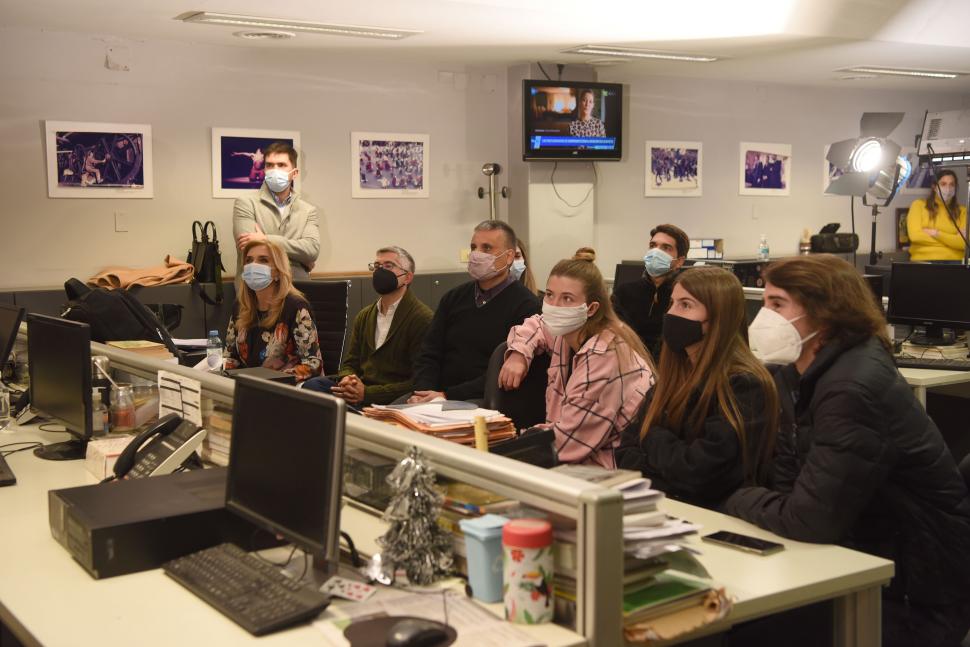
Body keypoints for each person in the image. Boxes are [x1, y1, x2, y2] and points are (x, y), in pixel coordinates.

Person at [724, 254, 970, 647]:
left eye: (777, 304)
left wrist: (737, 499)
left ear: (824, 314)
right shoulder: (798, 372)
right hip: (859, 557)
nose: (763, 317)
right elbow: (790, 480)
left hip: (913, 593)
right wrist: (775, 506)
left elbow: (810, 519)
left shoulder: (852, 387)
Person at [615, 266, 778, 509]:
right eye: (672, 303)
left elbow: (701, 472)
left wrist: (652, 437)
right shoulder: (674, 375)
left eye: (686, 305)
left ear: (717, 317)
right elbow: (626, 450)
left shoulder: (745, 385)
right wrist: (671, 462)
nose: (671, 313)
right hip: (666, 508)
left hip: (715, 519)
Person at [499, 249, 654, 468]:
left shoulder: (605, 353)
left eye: (567, 299)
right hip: (571, 458)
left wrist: (507, 445)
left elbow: (568, 443)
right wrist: (518, 354)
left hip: (607, 468)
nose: (554, 306)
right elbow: (537, 324)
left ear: (590, 308)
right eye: (550, 295)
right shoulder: (569, 332)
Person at [409, 221, 540, 403]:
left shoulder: (526, 305)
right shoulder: (453, 298)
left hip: (481, 398)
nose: (477, 254)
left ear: (509, 256)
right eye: (473, 247)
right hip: (435, 396)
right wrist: (423, 392)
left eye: (487, 248)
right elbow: (429, 353)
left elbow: (501, 371)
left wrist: (447, 396)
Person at [303, 246, 433, 406]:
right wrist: (347, 380)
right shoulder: (364, 315)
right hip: (360, 390)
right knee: (312, 386)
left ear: (407, 277)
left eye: (388, 266)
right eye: (377, 266)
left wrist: (367, 394)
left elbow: (419, 381)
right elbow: (350, 363)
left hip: (391, 398)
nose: (380, 272)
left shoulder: (421, 318)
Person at [222, 239, 323, 383]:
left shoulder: (295, 306)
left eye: (263, 260)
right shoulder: (240, 306)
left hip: (285, 389)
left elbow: (313, 364)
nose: (253, 266)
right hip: (248, 387)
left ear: (278, 271)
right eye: (249, 260)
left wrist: (269, 380)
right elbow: (231, 357)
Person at [233, 141, 320, 280]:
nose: (275, 170)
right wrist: (300, 259)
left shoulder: (308, 210)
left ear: (295, 173)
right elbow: (250, 249)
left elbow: (312, 251)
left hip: (297, 289)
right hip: (256, 290)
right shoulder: (245, 203)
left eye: (281, 165)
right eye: (269, 165)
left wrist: (265, 239)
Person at [612, 224, 689, 360]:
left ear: (679, 261)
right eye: (653, 246)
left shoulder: (685, 298)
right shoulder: (624, 292)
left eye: (666, 248)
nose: (656, 252)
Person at [906, 169, 968, 262]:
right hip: (924, 261)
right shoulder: (918, 205)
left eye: (952, 184)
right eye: (943, 184)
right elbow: (915, 236)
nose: (948, 188)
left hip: (955, 262)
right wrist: (952, 240)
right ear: (934, 187)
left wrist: (936, 234)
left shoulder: (963, 211)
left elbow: (963, 243)